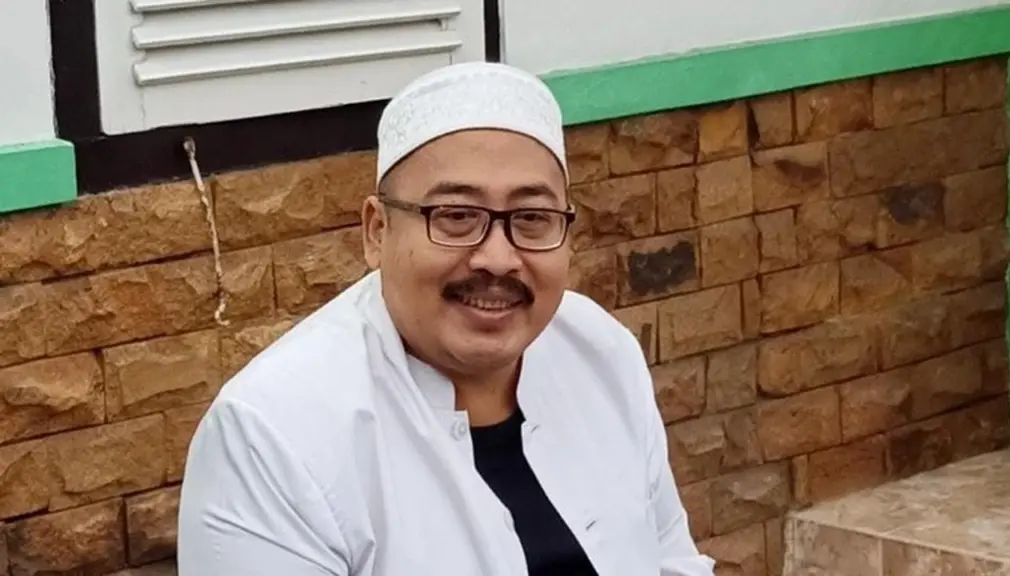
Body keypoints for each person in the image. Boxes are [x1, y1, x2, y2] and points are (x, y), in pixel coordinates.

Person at [176, 61, 715, 576]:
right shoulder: (273, 437)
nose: (498, 259)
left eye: (532, 218)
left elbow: (670, 557)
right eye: (456, 216)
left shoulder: (600, 352)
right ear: (377, 232)